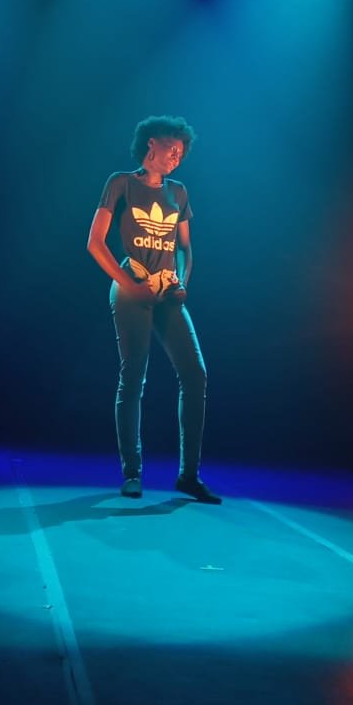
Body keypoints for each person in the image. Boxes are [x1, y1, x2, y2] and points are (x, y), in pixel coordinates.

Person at [87, 116, 222, 503]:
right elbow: (95, 243)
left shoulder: (178, 192)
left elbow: (184, 248)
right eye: (172, 148)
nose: (177, 156)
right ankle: (132, 472)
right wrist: (131, 285)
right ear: (151, 143)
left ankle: (189, 476)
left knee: (195, 374)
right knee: (134, 378)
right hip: (133, 284)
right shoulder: (121, 183)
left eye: (182, 153)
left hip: (166, 290)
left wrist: (182, 283)